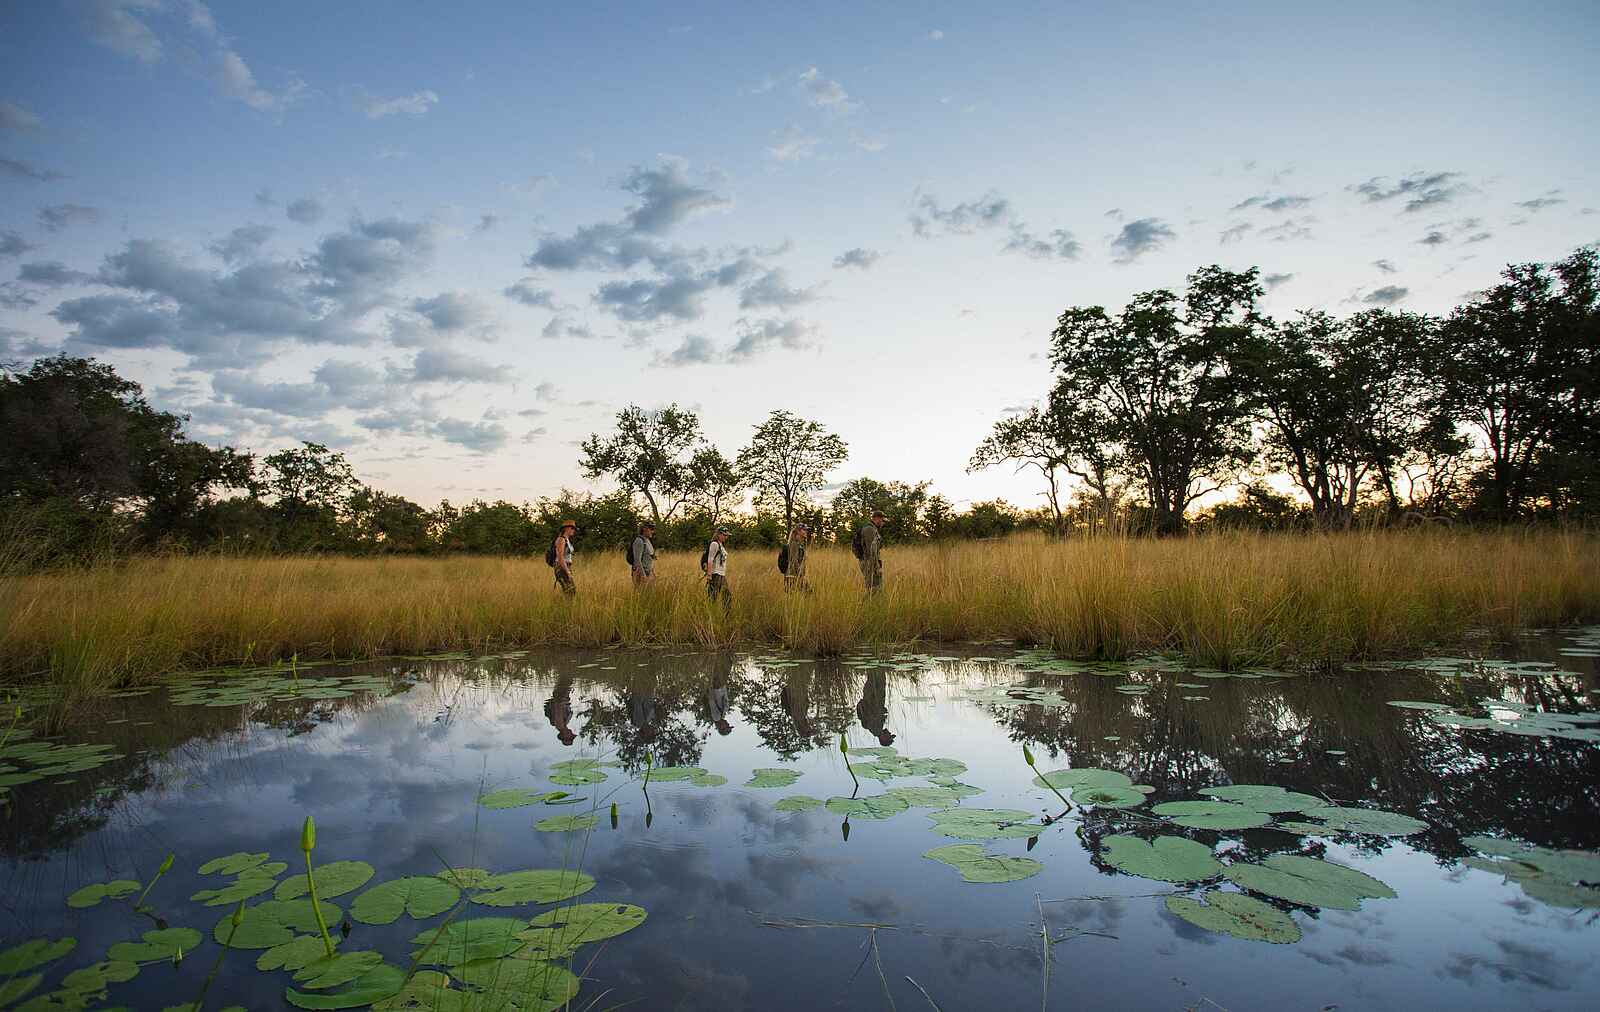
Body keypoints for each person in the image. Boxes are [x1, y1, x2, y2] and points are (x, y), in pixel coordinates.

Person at [856, 669, 895, 746]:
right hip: (873, 692)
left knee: (876, 671)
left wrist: (882, 711)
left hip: (873, 692)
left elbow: (873, 711)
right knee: (875, 672)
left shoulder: (876, 728)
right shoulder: (877, 728)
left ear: (883, 738)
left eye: (889, 736)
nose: (890, 733)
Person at [856, 509, 885, 594]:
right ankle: (866, 605)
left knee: (874, 588)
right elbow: (871, 550)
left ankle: (870, 604)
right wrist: (876, 567)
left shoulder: (873, 529)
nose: (883, 523)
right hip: (869, 562)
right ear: (877, 518)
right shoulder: (869, 529)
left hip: (870, 562)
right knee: (873, 589)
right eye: (882, 520)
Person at [544, 673, 577, 746]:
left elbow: (558, 706)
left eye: (570, 737)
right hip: (561, 695)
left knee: (567, 675)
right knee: (566, 677)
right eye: (572, 736)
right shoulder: (563, 724)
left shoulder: (559, 724)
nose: (571, 734)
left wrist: (564, 695)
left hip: (561, 695)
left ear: (563, 736)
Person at [704, 525, 732, 608]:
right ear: (718, 534)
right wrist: (709, 574)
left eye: (727, 535)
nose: (726, 537)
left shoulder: (721, 545)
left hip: (721, 575)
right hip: (715, 574)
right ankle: (710, 614)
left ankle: (725, 616)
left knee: (727, 596)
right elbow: (710, 559)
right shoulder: (714, 544)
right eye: (724, 535)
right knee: (712, 598)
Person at [783, 523, 810, 592]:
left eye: (806, 530)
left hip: (796, 576)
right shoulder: (794, 543)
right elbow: (794, 560)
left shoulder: (799, 544)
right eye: (804, 530)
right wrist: (800, 575)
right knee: (807, 594)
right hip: (793, 576)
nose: (806, 531)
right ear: (798, 531)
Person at [553, 520, 577, 595]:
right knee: (570, 590)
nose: (574, 530)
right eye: (572, 528)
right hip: (562, 567)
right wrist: (567, 571)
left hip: (565, 566)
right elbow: (560, 557)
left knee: (569, 590)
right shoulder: (561, 539)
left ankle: (565, 605)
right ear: (566, 528)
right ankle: (567, 606)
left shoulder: (567, 540)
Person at [631, 521, 657, 586]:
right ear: (644, 529)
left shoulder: (647, 541)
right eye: (651, 529)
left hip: (649, 573)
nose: (652, 531)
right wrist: (643, 576)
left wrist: (652, 573)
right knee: (641, 594)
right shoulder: (639, 541)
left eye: (653, 529)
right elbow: (637, 560)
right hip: (640, 574)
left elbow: (649, 557)